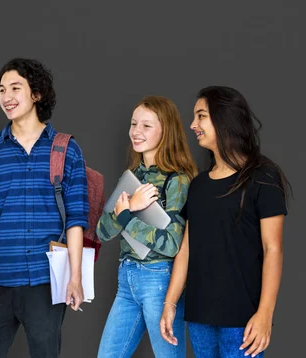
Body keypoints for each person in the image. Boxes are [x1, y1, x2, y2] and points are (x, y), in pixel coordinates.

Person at [0, 58, 89, 358]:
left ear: (37, 94)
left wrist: (75, 277)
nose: (6, 97)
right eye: (1, 90)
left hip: (45, 282)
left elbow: (76, 219)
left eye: (15, 88)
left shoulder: (66, 148)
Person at [160, 86, 290, 358]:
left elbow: (273, 249)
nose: (193, 124)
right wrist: (170, 303)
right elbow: (186, 249)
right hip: (199, 317)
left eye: (201, 116)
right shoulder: (198, 185)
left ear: (224, 117)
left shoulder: (262, 177)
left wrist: (265, 314)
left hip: (242, 321)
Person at [96, 96, 197, 357]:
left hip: (159, 280)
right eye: (133, 124)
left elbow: (172, 244)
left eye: (146, 126)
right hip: (126, 279)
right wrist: (127, 209)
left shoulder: (178, 180)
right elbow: (102, 231)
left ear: (166, 130)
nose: (136, 132)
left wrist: (129, 215)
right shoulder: (132, 177)